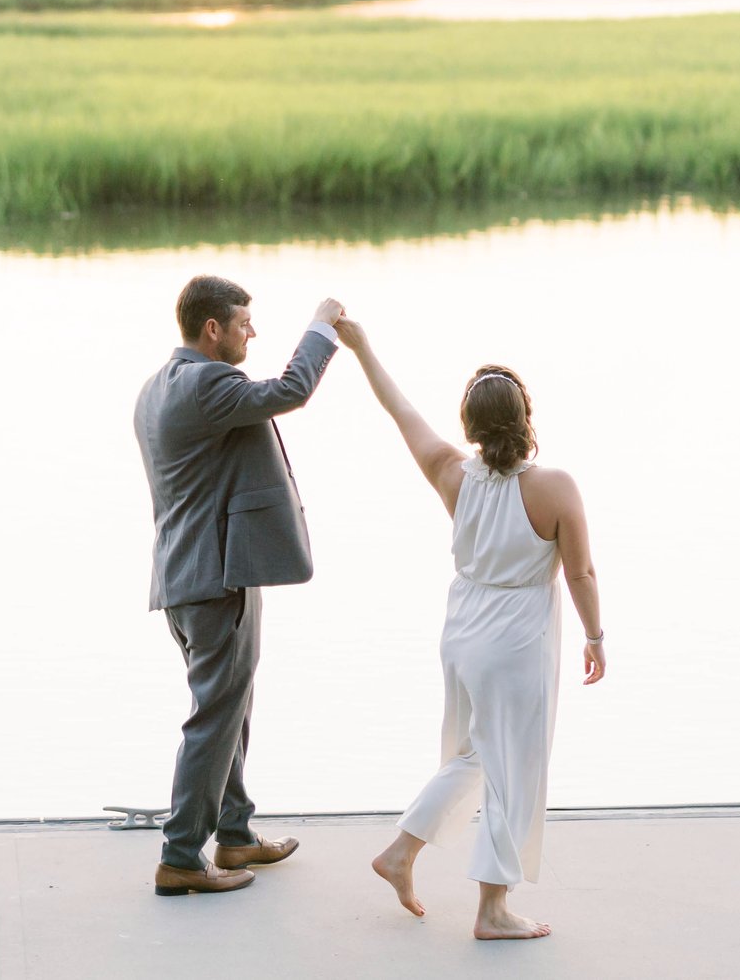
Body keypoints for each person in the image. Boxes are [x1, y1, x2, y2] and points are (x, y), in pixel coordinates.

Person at [334, 316, 606, 941]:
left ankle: (401, 852)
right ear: (525, 417)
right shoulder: (554, 486)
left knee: (476, 755)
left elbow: (398, 409)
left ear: (470, 427)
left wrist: (363, 347)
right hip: (515, 637)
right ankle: (492, 910)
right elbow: (581, 572)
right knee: (512, 766)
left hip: (461, 632)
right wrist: (595, 636)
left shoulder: (451, 472)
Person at [133, 274, 346, 897]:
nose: (253, 332)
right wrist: (323, 326)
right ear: (212, 329)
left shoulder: (155, 388)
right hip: (213, 579)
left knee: (229, 708)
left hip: (182, 576)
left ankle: (234, 834)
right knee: (214, 717)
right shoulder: (208, 384)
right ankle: (179, 855)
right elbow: (290, 390)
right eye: (245, 322)